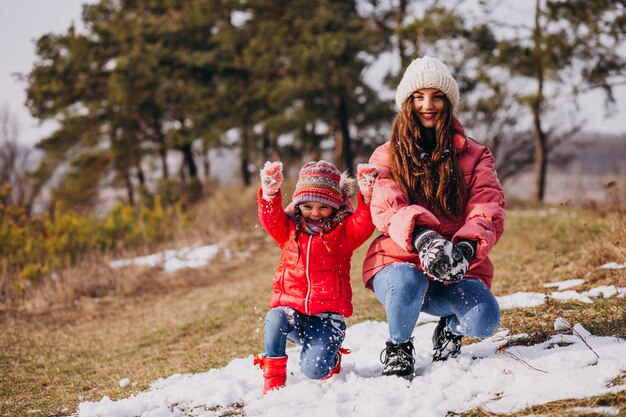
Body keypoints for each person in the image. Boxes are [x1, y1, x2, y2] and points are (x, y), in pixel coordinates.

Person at [362, 55, 506, 379]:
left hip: (456, 266)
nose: (428, 105)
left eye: (437, 96)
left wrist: (466, 248)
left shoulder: (476, 155)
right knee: (408, 280)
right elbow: (387, 204)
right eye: (418, 96)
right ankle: (399, 347)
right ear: (407, 102)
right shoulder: (385, 155)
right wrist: (424, 237)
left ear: (448, 101)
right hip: (400, 262)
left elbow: (488, 206)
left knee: (484, 319)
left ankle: (450, 329)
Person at [254, 160, 378, 393]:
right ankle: (273, 383)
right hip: (294, 312)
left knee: (314, 371)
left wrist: (368, 194)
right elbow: (270, 219)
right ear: (298, 203)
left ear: (335, 204)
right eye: (308, 206)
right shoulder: (289, 229)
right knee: (274, 318)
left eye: (323, 207)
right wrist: (270, 193)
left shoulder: (343, 233)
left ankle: (330, 358)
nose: (315, 213)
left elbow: (364, 223)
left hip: (327, 319)